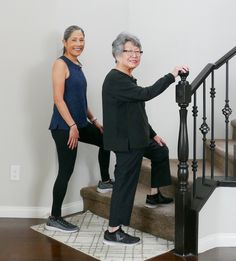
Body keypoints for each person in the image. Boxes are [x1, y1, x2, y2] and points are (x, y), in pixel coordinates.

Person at [102, 32, 189, 246]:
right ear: (117, 54)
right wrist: (171, 75)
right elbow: (146, 94)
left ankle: (153, 195)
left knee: (160, 150)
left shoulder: (127, 78)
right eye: (129, 51)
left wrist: (152, 134)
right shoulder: (115, 79)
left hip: (138, 136)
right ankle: (113, 231)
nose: (134, 55)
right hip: (127, 143)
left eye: (137, 51)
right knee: (125, 184)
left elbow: (137, 111)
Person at [45, 25, 113, 233]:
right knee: (66, 171)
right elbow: (58, 99)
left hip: (80, 124)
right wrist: (72, 125)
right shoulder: (60, 64)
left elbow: (79, 100)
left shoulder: (77, 65)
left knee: (106, 138)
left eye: (81, 40)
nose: (78, 44)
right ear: (65, 42)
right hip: (64, 127)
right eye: (74, 40)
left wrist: (93, 120)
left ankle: (104, 181)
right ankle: (54, 217)